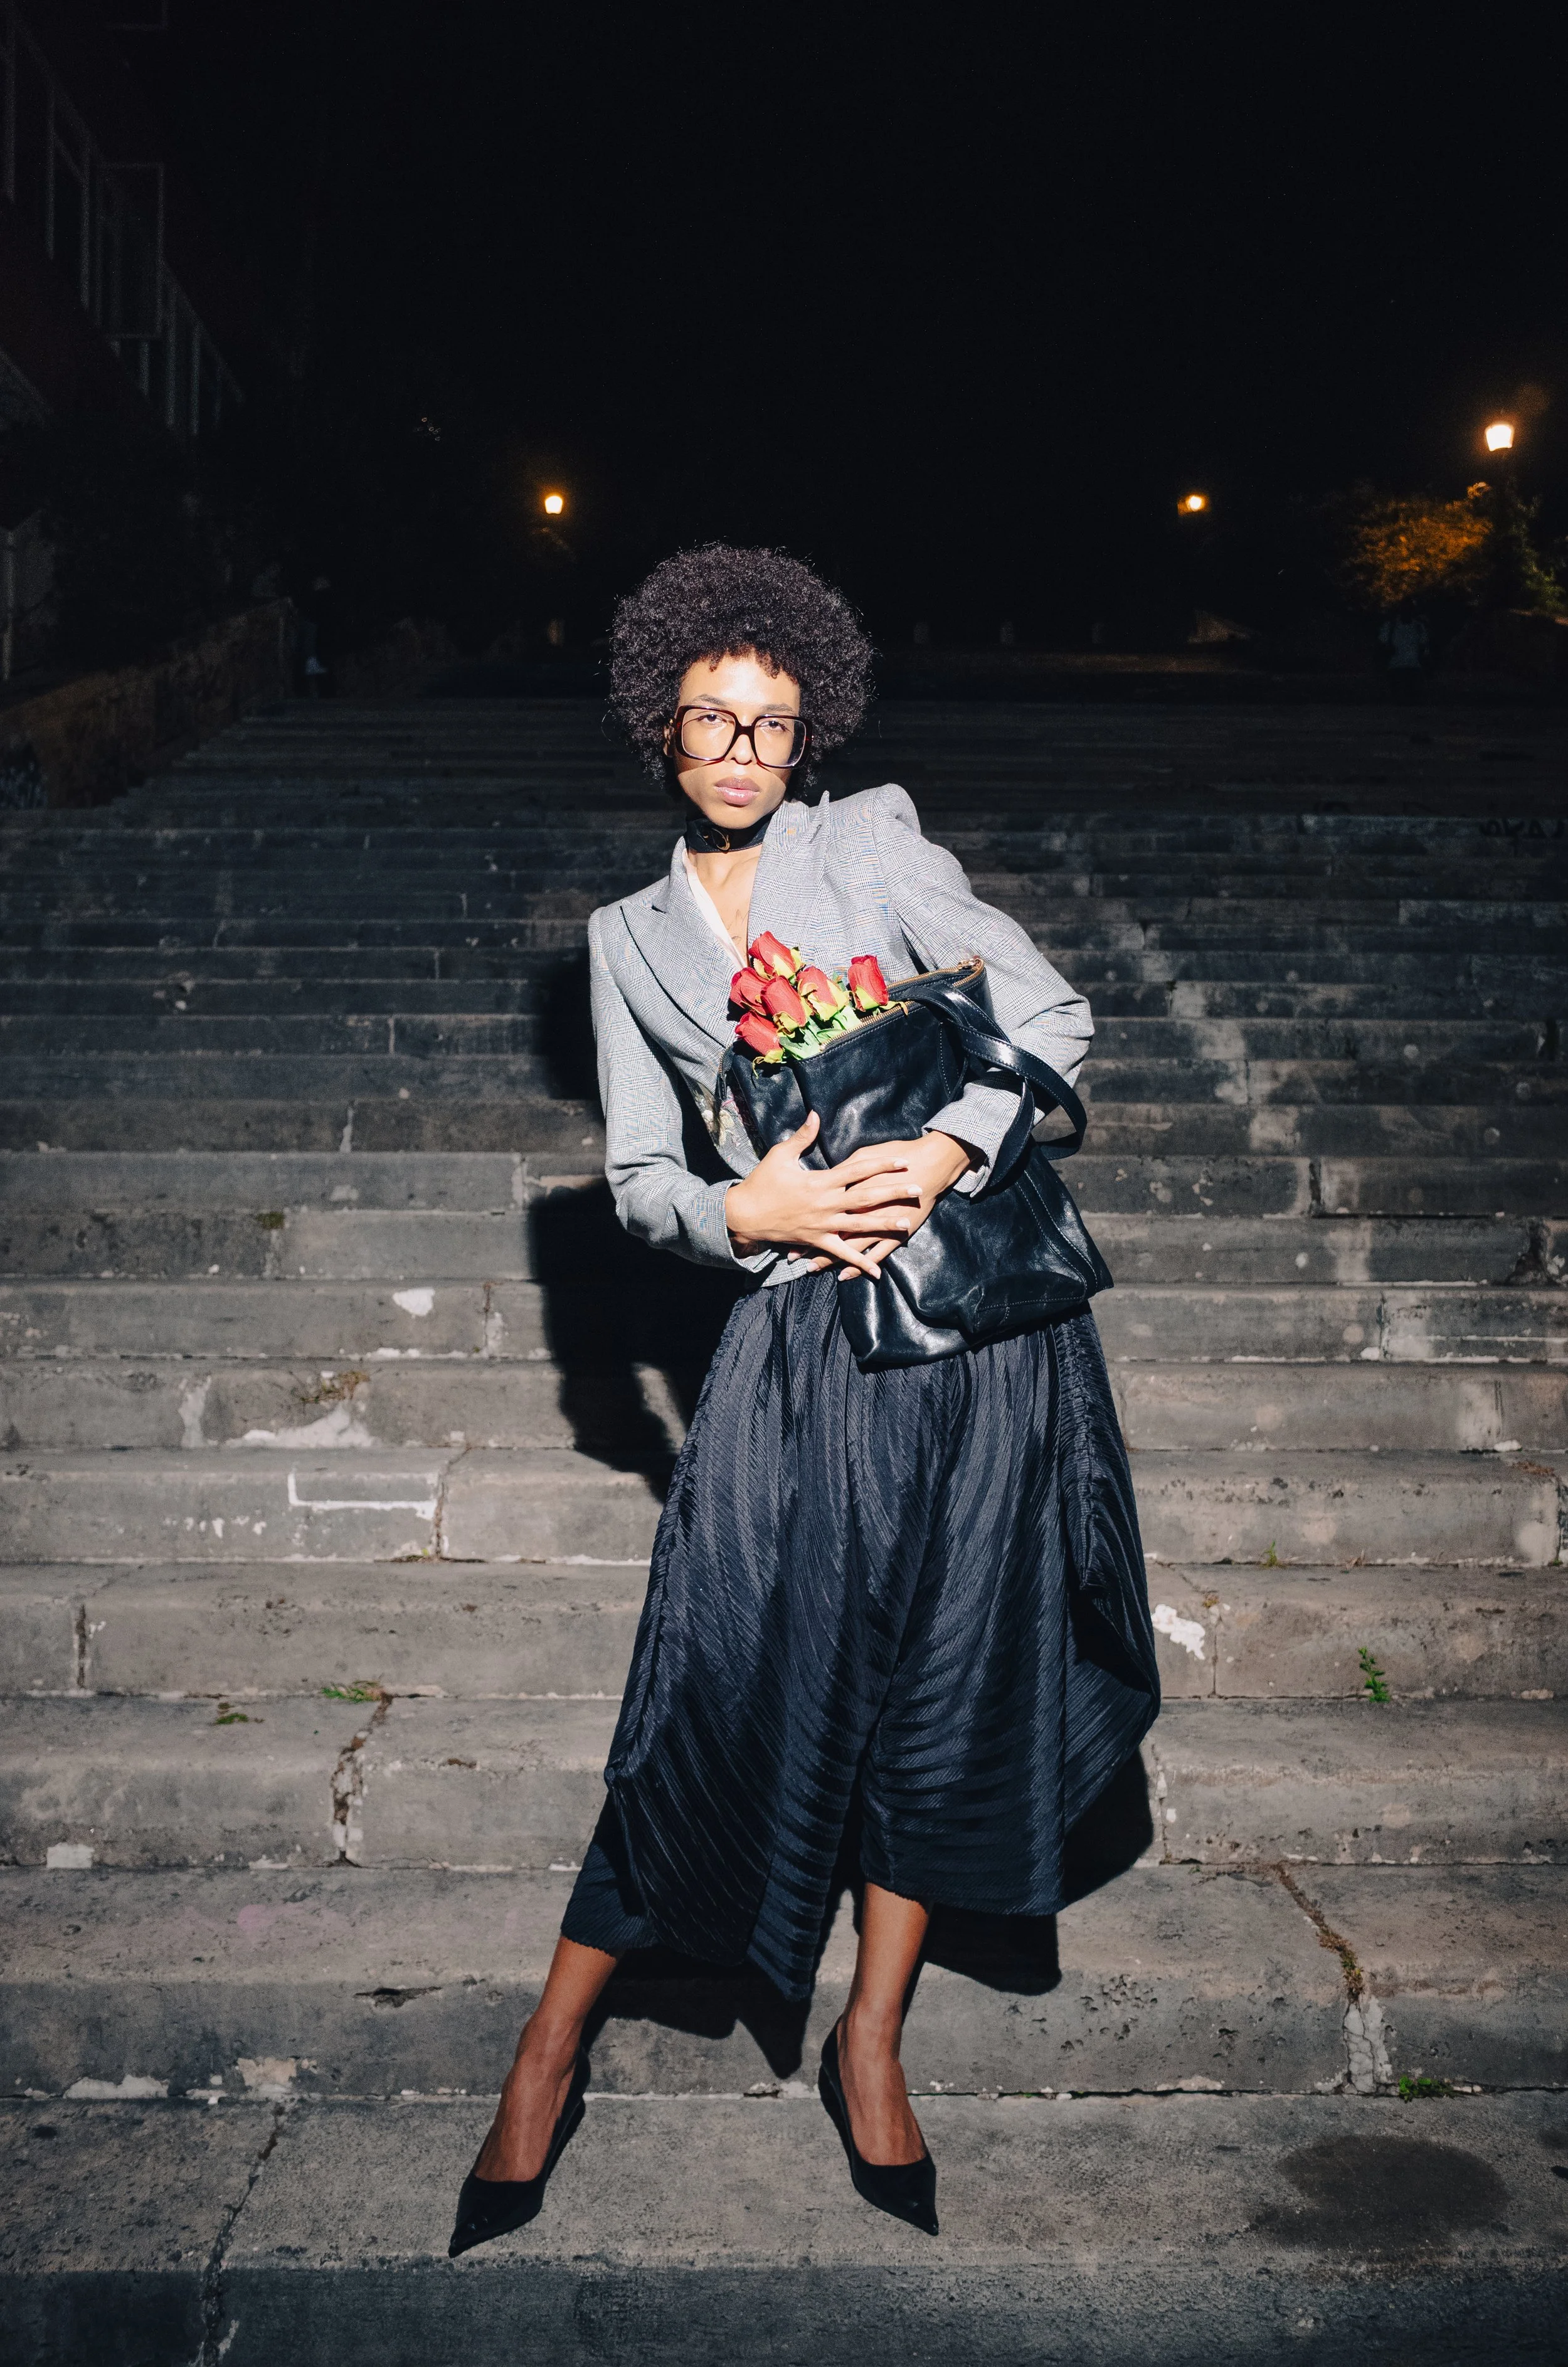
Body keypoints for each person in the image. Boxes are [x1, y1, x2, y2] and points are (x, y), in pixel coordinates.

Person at [448, 544, 1159, 2256]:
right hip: (788, 1352)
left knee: (940, 1681)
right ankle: (551, 2045)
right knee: (713, 1676)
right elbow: (635, 1175)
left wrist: (935, 1146)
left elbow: (1049, 1011)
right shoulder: (625, 945)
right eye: (713, 718)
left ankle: (872, 2036)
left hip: (979, 1348)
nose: (745, 746)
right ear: (662, 732)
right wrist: (741, 1211)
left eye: (773, 720)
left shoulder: (869, 842)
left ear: (806, 729)